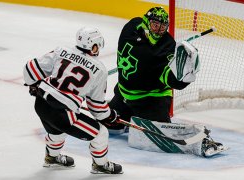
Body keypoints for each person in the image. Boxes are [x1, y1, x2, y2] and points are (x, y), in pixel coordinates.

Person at [107, 7, 226, 157]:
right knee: (106, 124)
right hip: (123, 96)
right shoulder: (131, 27)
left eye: (163, 27)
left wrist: (183, 79)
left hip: (150, 100)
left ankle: (202, 140)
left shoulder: (167, 46)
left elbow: (169, 78)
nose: (158, 31)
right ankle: (127, 117)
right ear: (146, 22)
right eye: (155, 25)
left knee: (163, 136)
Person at [23, 27, 123, 174]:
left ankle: (52, 157)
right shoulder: (99, 70)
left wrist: (33, 84)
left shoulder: (61, 51)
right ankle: (100, 165)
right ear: (94, 46)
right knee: (100, 133)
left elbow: (31, 68)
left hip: (41, 103)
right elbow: (97, 109)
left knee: (56, 130)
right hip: (62, 113)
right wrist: (111, 115)